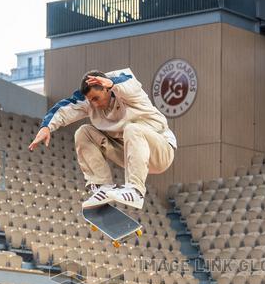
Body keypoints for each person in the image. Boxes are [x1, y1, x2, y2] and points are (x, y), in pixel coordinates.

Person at [28, 68, 176, 211]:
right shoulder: (90, 102)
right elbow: (66, 108)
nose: (95, 104)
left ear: (107, 89)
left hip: (160, 150)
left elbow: (129, 84)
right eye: (91, 100)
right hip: (129, 153)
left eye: (97, 98)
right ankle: (103, 187)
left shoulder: (128, 90)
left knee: (132, 128)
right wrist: (46, 127)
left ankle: (135, 191)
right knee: (84, 132)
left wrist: (111, 83)